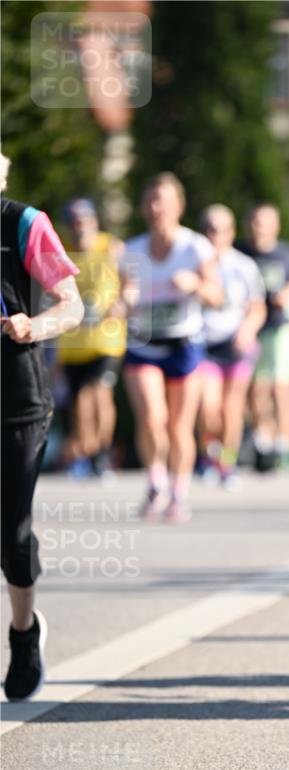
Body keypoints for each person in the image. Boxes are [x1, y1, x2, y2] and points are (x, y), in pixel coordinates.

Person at [1, 151, 84, 700]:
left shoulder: (23, 224)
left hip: (16, 397)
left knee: (12, 531)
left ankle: (25, 631)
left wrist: (35, 325)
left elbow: (72, 306)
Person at [121, 173, 223, 522]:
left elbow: (217, 296)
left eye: (163, 201)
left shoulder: (195, 248)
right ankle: (155, 483)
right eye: (150, 201)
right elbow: (121, 299)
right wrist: (124, 300)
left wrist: (195, 284)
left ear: (178, 206)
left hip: (183, 343)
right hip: (143, 343)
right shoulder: (131, 250)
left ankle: (178, 493)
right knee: (152, 418)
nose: (156, 208)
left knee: (179, 426)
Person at [197, 204, 266, 488]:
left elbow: (257, 307)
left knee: (232, 408)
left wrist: (247, 331)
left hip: (235, 344)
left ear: (231, 232)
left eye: (223, 229)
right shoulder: (195, 262)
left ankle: (227, 462)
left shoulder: (243, 265)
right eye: (211, 229)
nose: (217, 235)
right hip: (204, 343)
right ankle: (208, 455)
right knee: (208, 407)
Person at [58, 198, 126, 478]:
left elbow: (131, 282)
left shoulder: (113, 248)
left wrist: (123, 301)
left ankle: (101, 453)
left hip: (106, 339)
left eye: (85, 222)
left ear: (95, 222)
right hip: (73, 343)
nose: (80, 229)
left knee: (98, 393)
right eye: (75, 224)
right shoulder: (61, 251)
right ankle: (85, 451)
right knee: (79, 403)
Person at [240, 203, 289, 471]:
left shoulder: (288, 255)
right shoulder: (242, 253)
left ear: (276, 226)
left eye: (265, 222)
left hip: (281, 329)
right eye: (256, 221)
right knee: (257, 390)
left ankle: (285, 446)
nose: (260, 227)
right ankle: (263, 444)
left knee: (281, 389)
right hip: (253, 329)